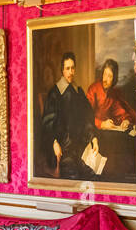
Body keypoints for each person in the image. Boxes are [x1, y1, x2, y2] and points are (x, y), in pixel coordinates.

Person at [40, 51, 97, 180]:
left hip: (80, 149)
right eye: (67, 68)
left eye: (72, 68)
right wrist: (54, 142)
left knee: (93, 175)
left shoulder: (79, 92)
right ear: (62, 70)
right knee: (74, 177)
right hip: (62, 150)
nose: (70, 72)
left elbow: (87, 117)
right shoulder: (54, 93)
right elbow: (47, 123)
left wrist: (93, 138)